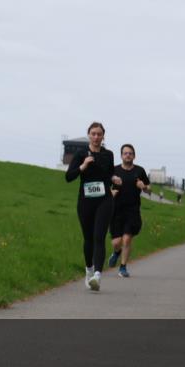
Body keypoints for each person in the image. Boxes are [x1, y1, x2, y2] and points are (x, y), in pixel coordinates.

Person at [66, 122, 115, 291]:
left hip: (104, 200)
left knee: (99, 237)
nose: (96, 137)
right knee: (88, 238)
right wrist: (83, 166)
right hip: (85, 201)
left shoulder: (108, 154)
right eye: (93, 133)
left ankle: (98, 276)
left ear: (103, 136)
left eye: (99, 134)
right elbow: (69, 177)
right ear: (88, 135)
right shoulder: (80, 154)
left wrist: (114, 179)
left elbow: (108, 174)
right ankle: (89, 270)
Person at [107, 143, 150, 278]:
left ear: (134, 156)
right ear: (121, 156)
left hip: (132, 210)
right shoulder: (114, 170)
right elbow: (105, 186)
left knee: (126, 239)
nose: (128, 155)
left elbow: (149, 189)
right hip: (116, 210)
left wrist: (144, 187)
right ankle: (116, 252)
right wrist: (110, 193)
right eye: (125, 153)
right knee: (116, 242)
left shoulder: (139, 171)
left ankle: (123, 267)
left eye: (130, 153)